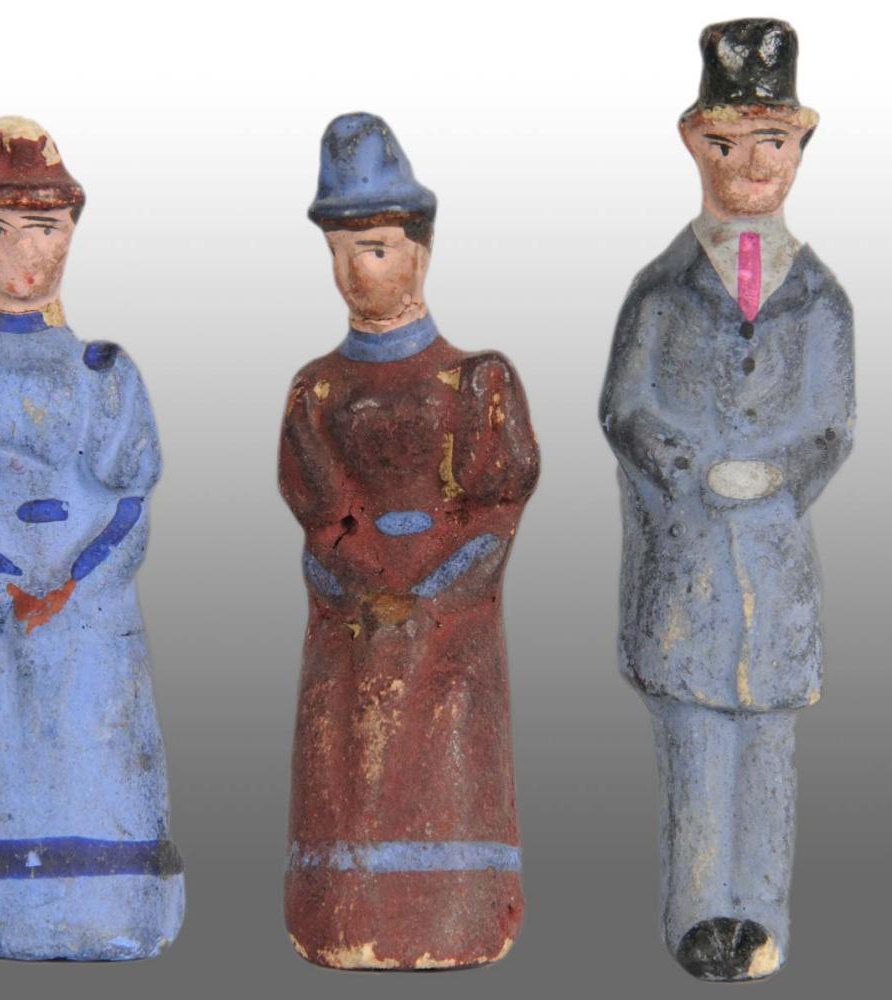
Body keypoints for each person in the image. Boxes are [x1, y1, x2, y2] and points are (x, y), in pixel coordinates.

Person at [599, 20, 855, 981]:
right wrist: (692, 469)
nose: (751, 165)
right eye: (727, 143)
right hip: (688, 562)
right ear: (693, 143)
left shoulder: (821, 300)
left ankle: (763, 912)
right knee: (698, 745)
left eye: (771, 142)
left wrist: (780, 474)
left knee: (769, 747)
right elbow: (626, 410)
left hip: (775, 571)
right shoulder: (661, 294)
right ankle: (701, 908)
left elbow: (832, 424)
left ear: (800, 145)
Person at [0, 116, 184, 960]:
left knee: (102, 740)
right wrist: (11, 587)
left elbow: (129, 499)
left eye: (45, 229)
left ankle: (118, 893)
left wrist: (73, 582)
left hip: (91, 612)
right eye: (1, 229)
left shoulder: (105, 371)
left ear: (70, 232)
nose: (24, 253)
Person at [279, 112, 539, 969]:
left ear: (421, 250)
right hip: (351, 625)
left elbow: (495, 516)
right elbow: (320, 521)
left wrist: (426, 598)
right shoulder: (316, 390)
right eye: (343, 250)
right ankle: (341, 912)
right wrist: (361, 592)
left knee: (449, 754)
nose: (360, 269)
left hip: (449, 624)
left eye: (379, 247)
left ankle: (459, 910)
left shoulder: (475, 382)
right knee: (343, 758)